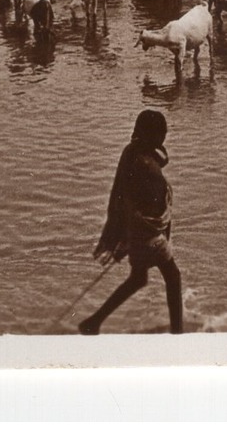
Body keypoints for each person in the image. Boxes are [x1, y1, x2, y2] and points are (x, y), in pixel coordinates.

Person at [79, 109, 183, 336]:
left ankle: (93, 321)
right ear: (154, 136)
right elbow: (155, 209)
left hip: (135, 231)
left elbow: (128, 201)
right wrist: (158, 230)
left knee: (138, 279)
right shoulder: (148, 167)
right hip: (147, 233)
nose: (164, 138)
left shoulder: (131, 153)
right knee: (173, 277)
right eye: (161, 134)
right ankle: (178, 334)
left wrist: (124, 237)